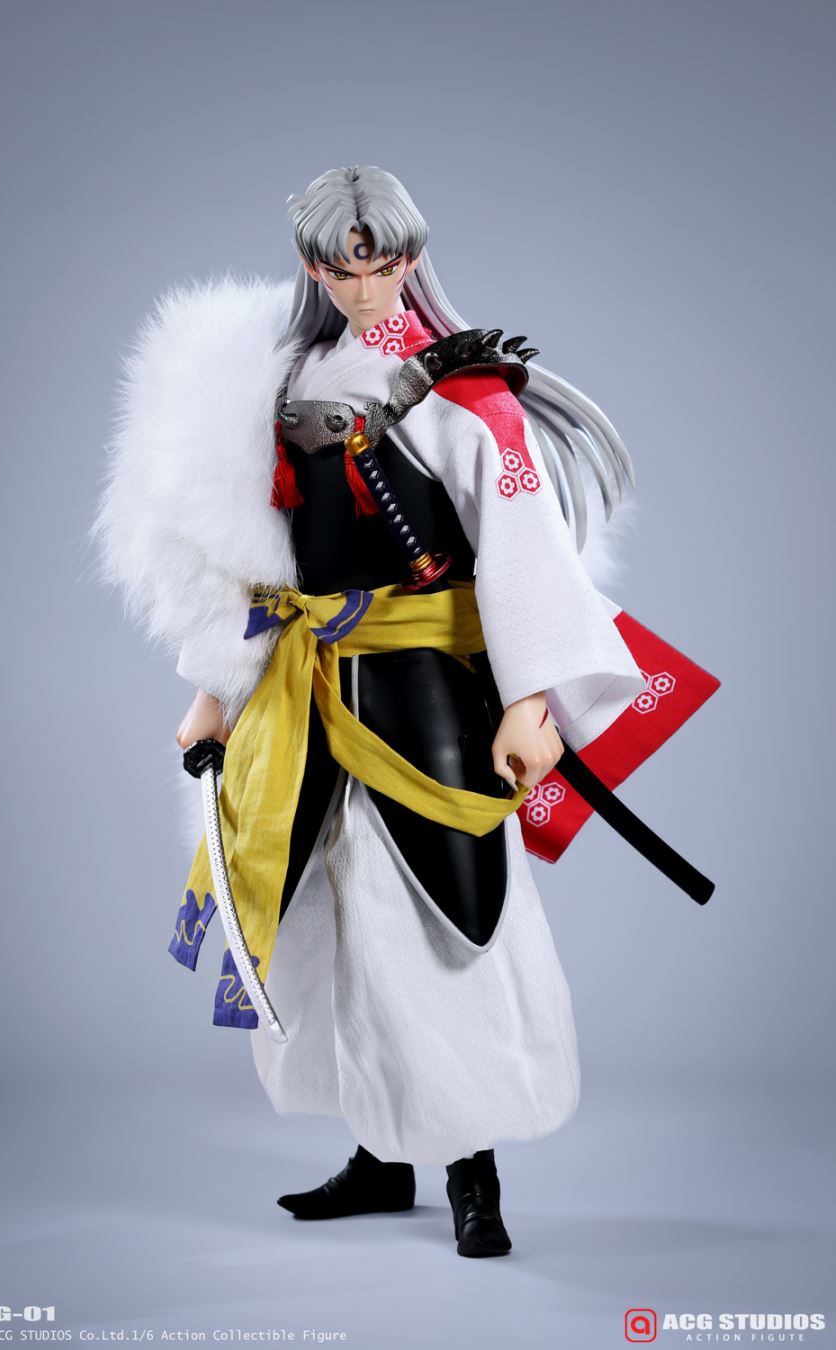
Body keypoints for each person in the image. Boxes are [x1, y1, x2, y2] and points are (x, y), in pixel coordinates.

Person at [95, 165, 718, 1258]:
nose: (364, 284)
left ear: (411, 257)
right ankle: (381, 1154)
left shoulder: (467, 395)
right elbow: (262, 564)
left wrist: (529, 699)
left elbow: (525, 551)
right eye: (342, 267)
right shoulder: (284, 381)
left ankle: (473, 1172)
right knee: (332, 917)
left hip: (425, 694)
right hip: (301, 695)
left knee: (442, 921)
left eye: (382, 262)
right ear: (313, 268)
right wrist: (213, 689)